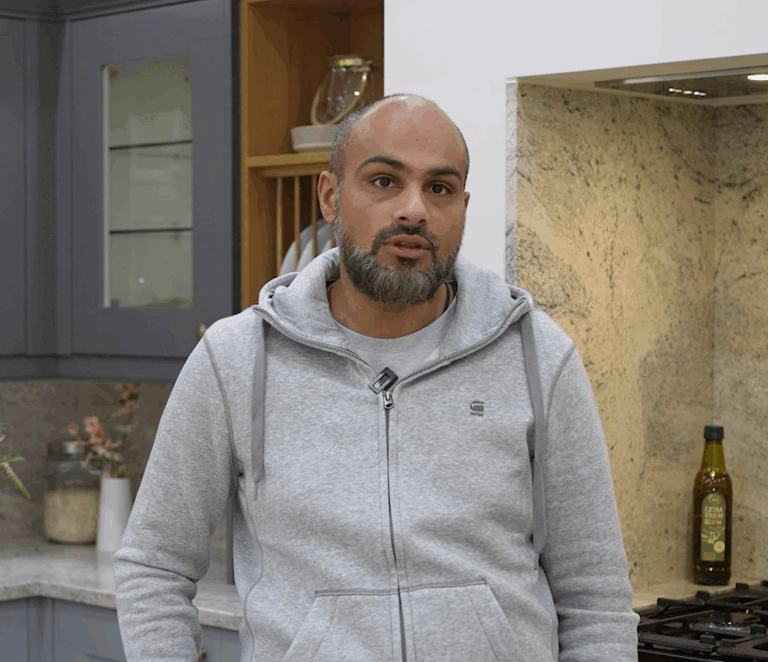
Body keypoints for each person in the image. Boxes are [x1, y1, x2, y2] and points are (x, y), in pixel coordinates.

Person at [114, 94, 640, 661]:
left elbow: (595, 598)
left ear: (463, 205)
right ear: (330, 196)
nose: (413, 210)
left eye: (439, 188)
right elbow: (154, 566)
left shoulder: (539, 355)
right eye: (384, 181)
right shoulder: (236, 358)